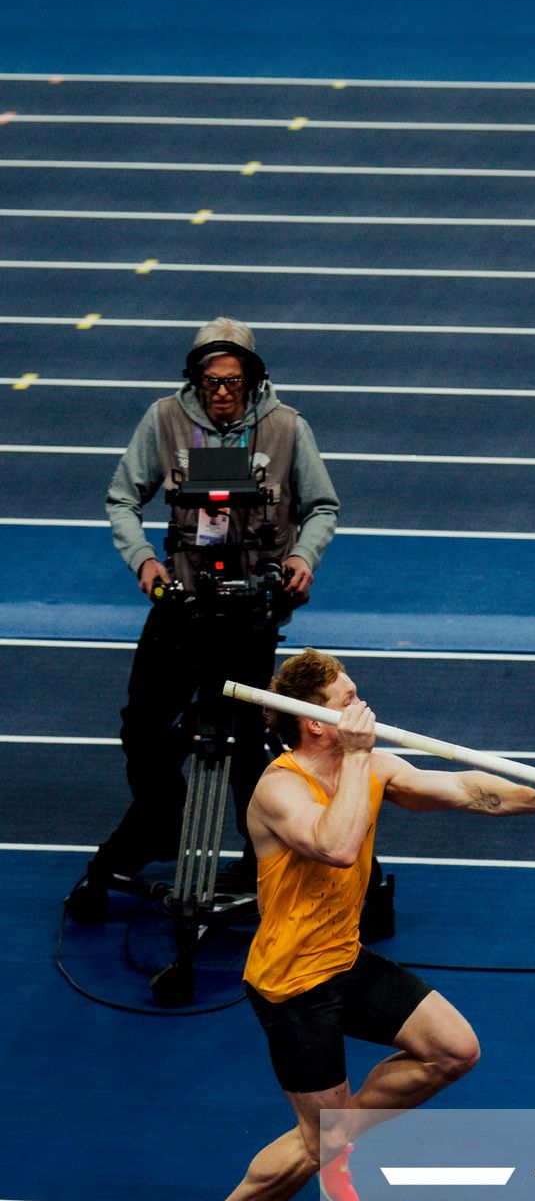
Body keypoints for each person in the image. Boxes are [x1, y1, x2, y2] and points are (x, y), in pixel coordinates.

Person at [186, 647, 535, 1201]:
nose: (363, 706)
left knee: (453, 1050)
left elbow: (468, 790)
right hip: (293, 986)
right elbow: (338, 846)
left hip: (344, 961)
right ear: (316, 724)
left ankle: (340, 1139)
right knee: (311, 1142)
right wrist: (354, 760)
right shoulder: (280, 788)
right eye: (348, 698)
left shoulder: (372, 765)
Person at [64, 318, 357, 921]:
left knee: (251, 741)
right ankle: (158, 821)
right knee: (143, 727)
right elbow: (121, 497)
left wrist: (303, 555)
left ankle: (263, 850)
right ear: (193, 381)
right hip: (182, 603)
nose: (221, 392)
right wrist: (143, 561)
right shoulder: (163, 420)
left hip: (253, 612)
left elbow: (323, 504)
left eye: (233, 381)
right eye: (209, 381)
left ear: (253, 379)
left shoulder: (286, 428)